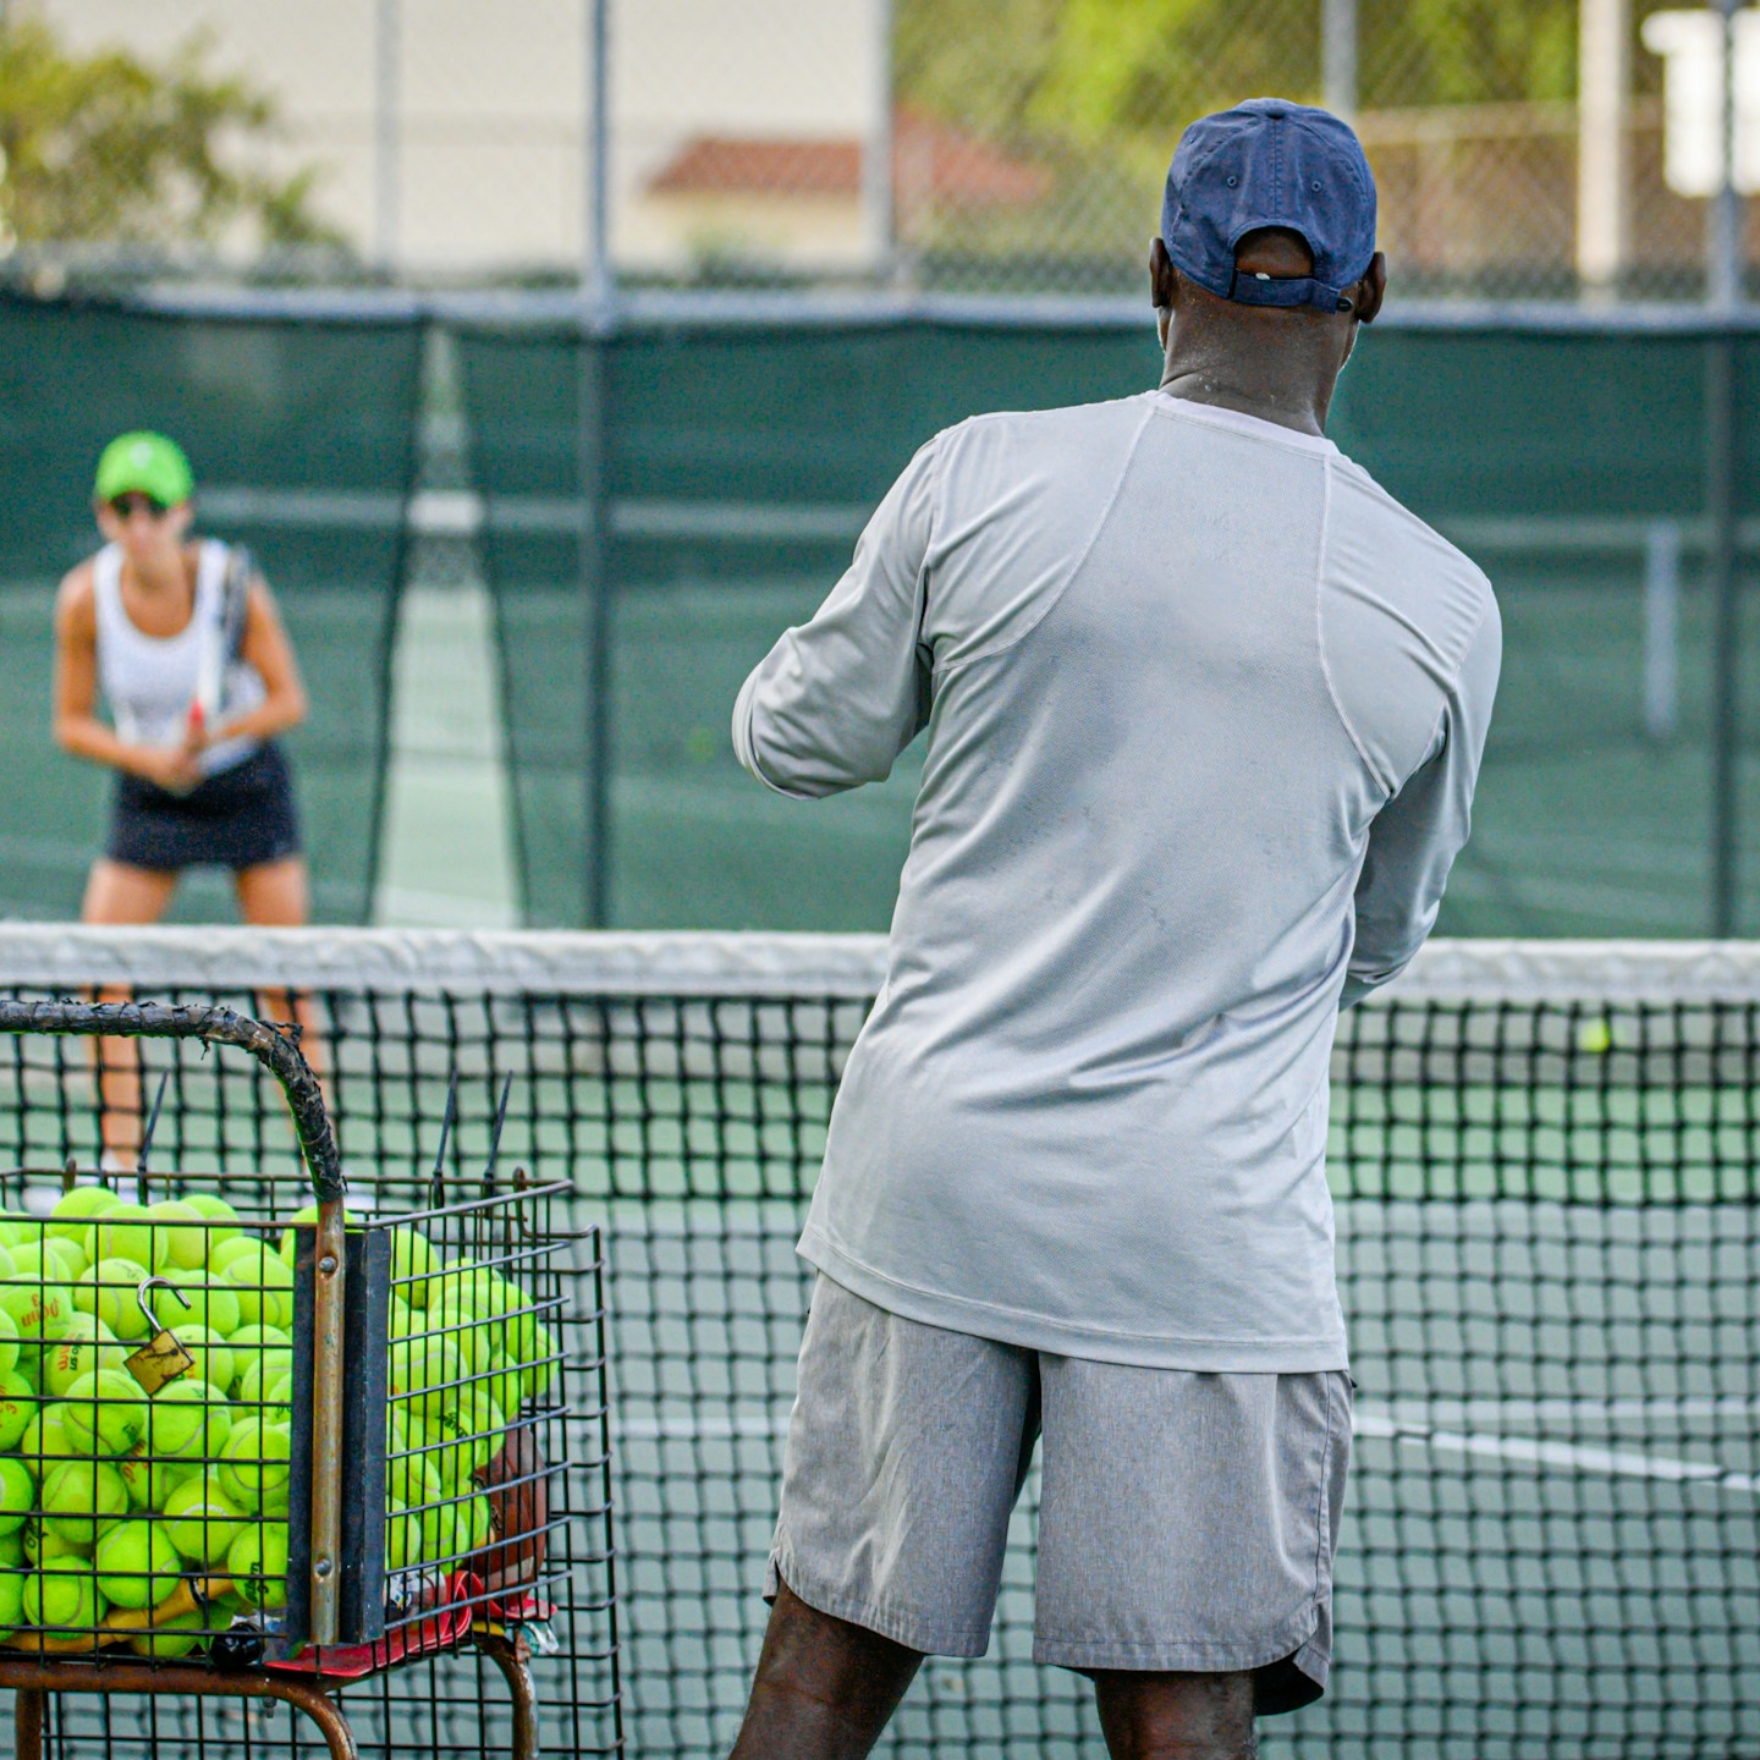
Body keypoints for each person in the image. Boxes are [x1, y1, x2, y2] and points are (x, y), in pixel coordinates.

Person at [728, 100, 1500, 1760]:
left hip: (932, 1185)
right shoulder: (1442, 606)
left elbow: (798, 740)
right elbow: (1380, 933)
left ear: (1157, 270)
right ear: (1369, 299)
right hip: (1200, 1236)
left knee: (822, 1663)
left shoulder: (978, 475)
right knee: (1180, 1708)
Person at [53, 430, 316, 1169]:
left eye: (154, 507)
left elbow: (288, 700)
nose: (139, 525)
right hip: (151, 793)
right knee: (102, 972)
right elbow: (70, 723)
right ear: (104, 516)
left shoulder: (235, 583)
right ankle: (118, 1167)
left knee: (287, 981)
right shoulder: (83, 600)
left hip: (244, 786)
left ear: (183, 512)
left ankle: (328, 1178)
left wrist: (216, 734)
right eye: (121, 508)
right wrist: (148, 757)